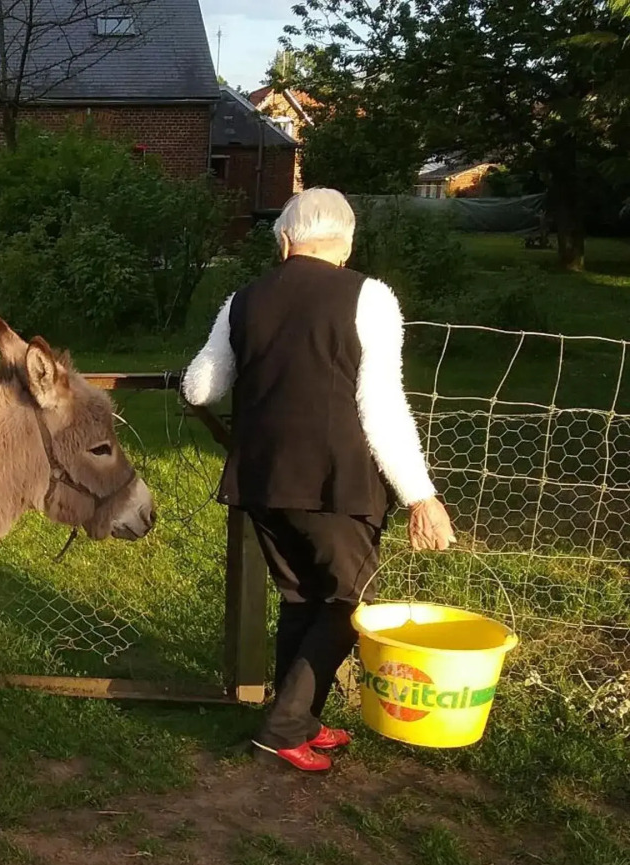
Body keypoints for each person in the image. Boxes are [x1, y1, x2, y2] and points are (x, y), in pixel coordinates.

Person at [182, 188, 456, 772]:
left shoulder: (242, 300)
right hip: (337, 485)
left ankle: (299, 722)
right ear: (348, 243)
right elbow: (380, 404)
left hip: (260, 482)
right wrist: (420, 495)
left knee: (302, 600)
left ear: (284, 239)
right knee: (346, 605)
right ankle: (284, 727)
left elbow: (199, 389)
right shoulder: (369, 298)